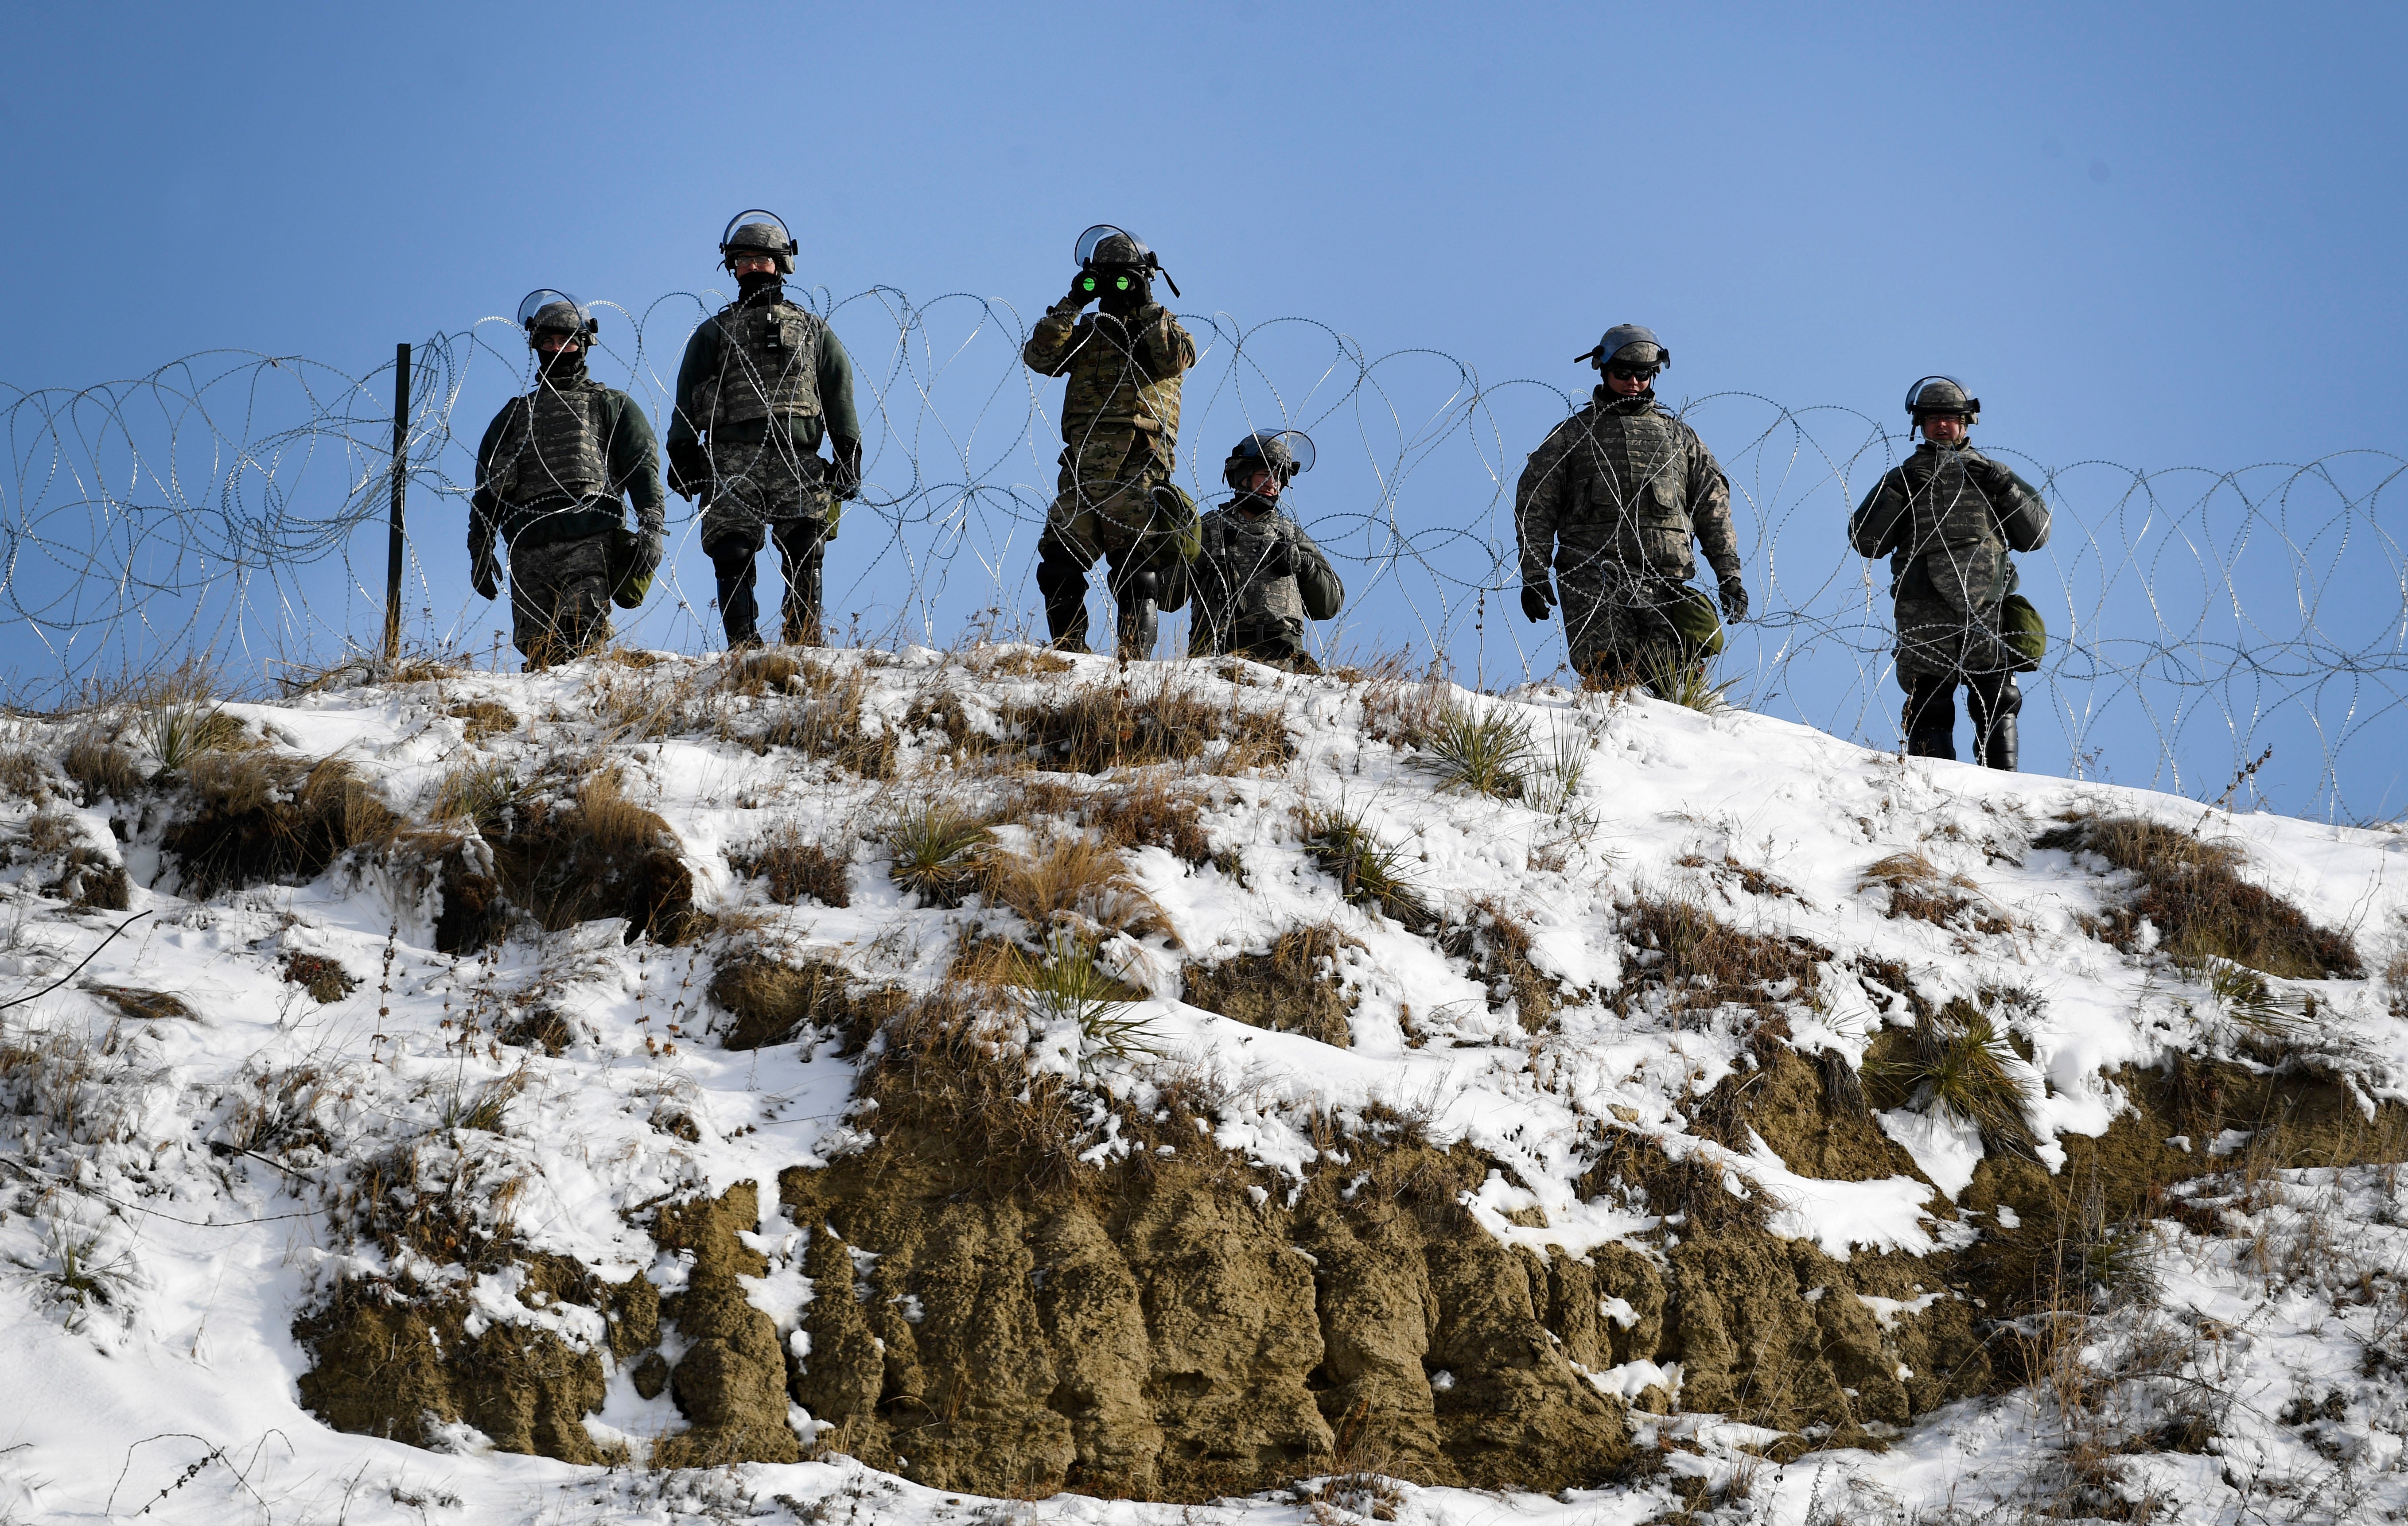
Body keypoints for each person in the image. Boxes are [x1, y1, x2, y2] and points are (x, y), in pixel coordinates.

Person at [666, 211, 864, 648]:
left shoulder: (813, 330)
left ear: (781, 263)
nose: (753, 267)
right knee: (731, 551)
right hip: (732, 456)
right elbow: (687, 395)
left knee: (806, 547)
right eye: (744, 260)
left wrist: (848, 452)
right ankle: (743, 647)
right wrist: (682, 451)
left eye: (762, 258)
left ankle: (803, 640)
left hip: (798, 457)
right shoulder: (713, 332)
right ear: (732, 267)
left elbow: (837, 391)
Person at [1514, 325, 1748, 692]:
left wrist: (1729, 576)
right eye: (1623, 373)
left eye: (1643, 374)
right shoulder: (1574, 436)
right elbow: (1535, 505)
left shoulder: (1679, 439)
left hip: (1664, 579)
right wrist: (1534, 573)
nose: (1633, 383)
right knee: (1608, 676)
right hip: (1592, 573)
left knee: (1673, 685)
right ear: (1603, 370)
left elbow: (1713, 509)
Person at [1847, 376, 2050, 769]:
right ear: (1919, 425)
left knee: (1996, 697)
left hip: (1987, 603)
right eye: (1932, 419)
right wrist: (1898, 495)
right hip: (1923, 606)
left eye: (1950, 418)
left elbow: (2037, 534)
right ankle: (1933, 786)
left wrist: (2004, 488)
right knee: (1930, 700)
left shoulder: (1993, 475)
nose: (1942, 426)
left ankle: (2003, 784)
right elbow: (1866, 541)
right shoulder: (1904, 477)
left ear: (1966, 423)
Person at [1023, 225, 1199, 658]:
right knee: (1059, 566)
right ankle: (1070, 655)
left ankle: (1132, 664)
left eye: (1123, 278)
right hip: (1082, 475)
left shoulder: (1163, 331)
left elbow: (1175, 360)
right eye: (1106, 278)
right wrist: (1074, 301)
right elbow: (1039, 356)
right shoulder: (1086, 334)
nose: (1114, 288)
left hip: (1137, 470)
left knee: (1136, 572)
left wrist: (1145, 305)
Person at [470, 291, 664, 669]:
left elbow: (642, 469)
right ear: (536, 346)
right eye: (548, 341)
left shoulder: (611, 405)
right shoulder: (513, 418)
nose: (557, 349)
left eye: (567, 341)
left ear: (584, 344)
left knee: (581, 638)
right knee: (538, 649)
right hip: (527, 546)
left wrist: (652, 526)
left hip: (589, 537)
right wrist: (479, 547)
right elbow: (487, 490)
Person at [1189, 430, 1344, 669]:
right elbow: (1169, 596)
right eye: (1264, 475)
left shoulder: (1290, 535)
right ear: (1243, 475)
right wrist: (1198, 563)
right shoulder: (1209, 528)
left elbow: (1331, 604)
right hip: (1216, 657)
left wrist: (1304, 566)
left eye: (1279, 477)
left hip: (1282, 660)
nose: (1273, 484)